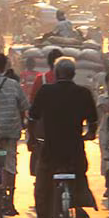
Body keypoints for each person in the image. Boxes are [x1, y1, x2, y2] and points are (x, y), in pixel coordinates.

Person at [28, 57, 97, 218]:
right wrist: (89, 134)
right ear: (73, 74)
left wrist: (32, 139)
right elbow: (93, 121)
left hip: (50, 149)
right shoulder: (83, 93)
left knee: (43, 186)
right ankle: (80, 205)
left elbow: (32, 118)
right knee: (80, 175)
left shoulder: (46, 91)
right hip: (74, 149)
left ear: (56, 73)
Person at [0, 53, 29, 216]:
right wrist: (24, 122)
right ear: (5, 67)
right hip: (10, 132)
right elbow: (24, 106)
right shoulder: (13, 85)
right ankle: (9, 200)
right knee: (10, 164)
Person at [27, 49, 63, 177]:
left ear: (48, 63)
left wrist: (31, 134)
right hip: (62, 125)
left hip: (43, 125)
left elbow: (32, 103)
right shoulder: (68, 82)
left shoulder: (40, 79)